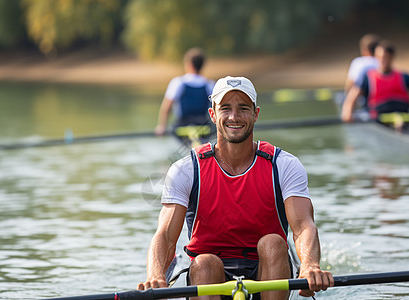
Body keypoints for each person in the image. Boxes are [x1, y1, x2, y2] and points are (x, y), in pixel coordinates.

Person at [139, 76, 334, 300]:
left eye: (243, 108)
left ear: (256, 114)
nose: (234, 116)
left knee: (273, 243)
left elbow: (303, 227)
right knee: (204, 262)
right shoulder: (186, 169)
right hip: (210, 274)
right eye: (226, 108)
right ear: (212, 115)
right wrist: (155, 275)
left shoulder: (284, 165)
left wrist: (309, 266)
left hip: (268, 268)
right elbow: (165, 235)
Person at [342, 40, 409, 123]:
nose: (384, 61)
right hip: (378, 116)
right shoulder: (367, 78)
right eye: (381, 57)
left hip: (402, 114)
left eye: (387, 57)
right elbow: (352, 97)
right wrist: (347, 112)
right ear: (376, 57)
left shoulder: (404, 76)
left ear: (392, 57)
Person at [155, 48, 215, 144]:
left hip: (182, 126)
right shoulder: (210, 85)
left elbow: (167, 107)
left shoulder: (178, 82)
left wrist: (162, 126)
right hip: (204, 127)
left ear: (189, 65)